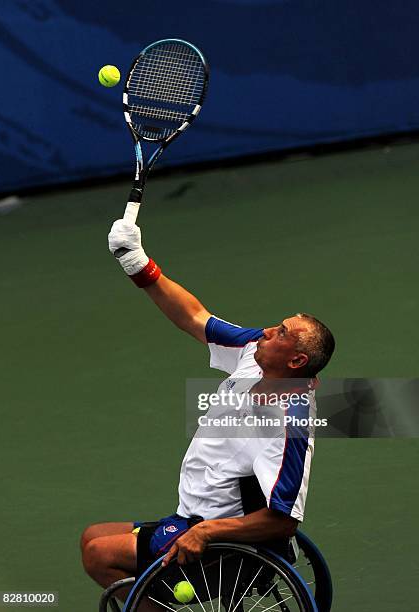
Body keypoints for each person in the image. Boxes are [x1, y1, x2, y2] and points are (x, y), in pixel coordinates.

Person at [81, 218, 335, 598]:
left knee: (100, 555)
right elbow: (195, 317)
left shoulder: (288, 425)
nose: (267, 331)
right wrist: (138, 263)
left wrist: (206, 532)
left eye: (281, 332)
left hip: (222, 547)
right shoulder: (256, 353)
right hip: (191, 517)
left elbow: (282, 523)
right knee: (93, 536)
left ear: (296, 362)